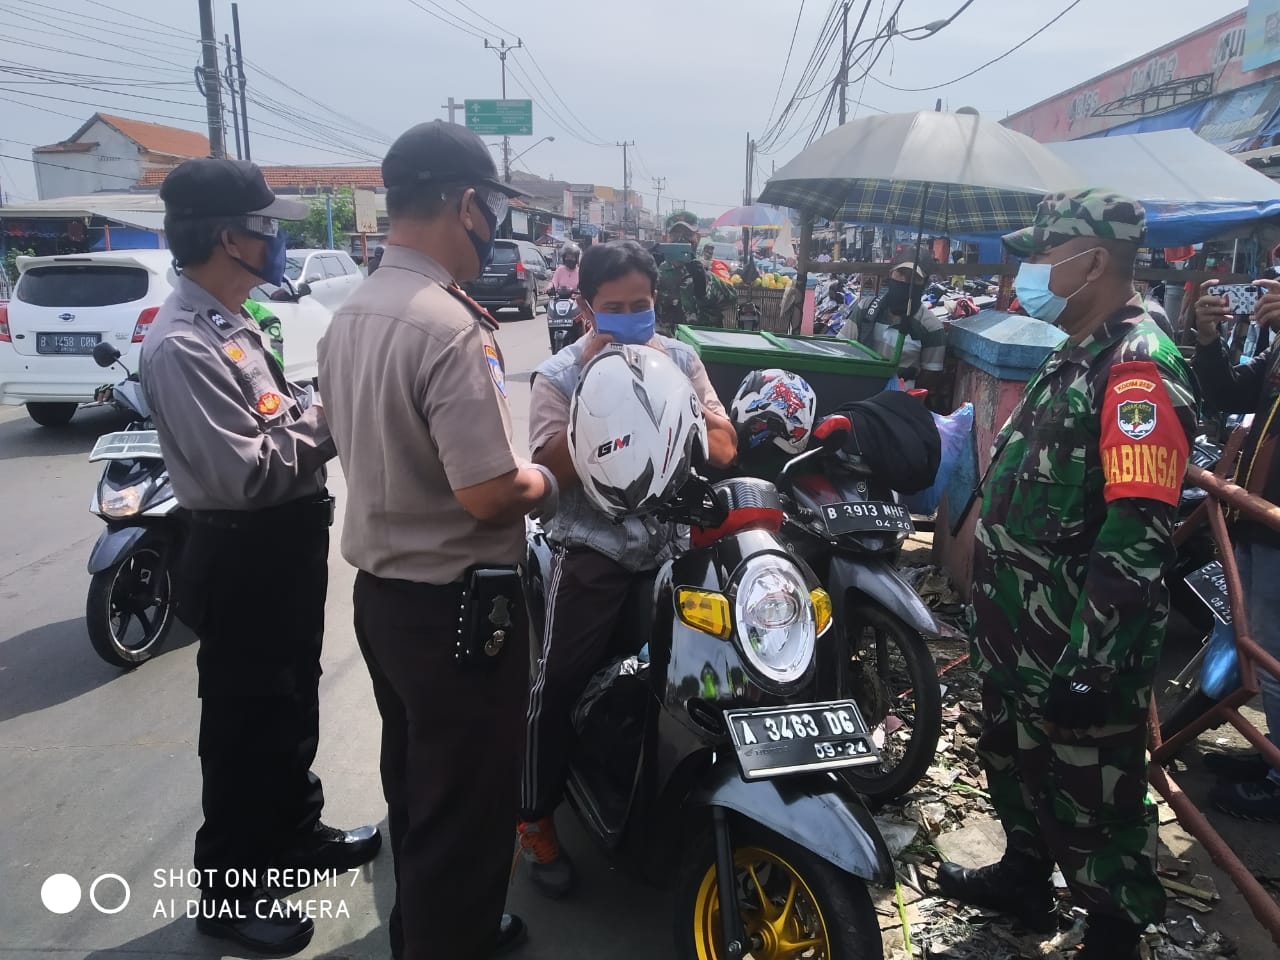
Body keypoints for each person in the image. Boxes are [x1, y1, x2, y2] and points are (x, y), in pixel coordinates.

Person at [316, 120, 558, 960]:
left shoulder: (353, 314)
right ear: (466, 204)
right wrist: (549, 482)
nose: (495, 227)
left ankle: (421, 932)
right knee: (467, 811)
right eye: (494, 208)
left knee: (417, 786)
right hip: (462, 613)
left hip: (385, 604)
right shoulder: (451, 327)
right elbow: (491, 492)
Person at [937, 190, 1196, 960]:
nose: (1029, 271)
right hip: (1019, 636)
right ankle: (1024, 875)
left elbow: (1137, 534)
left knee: (1093, 796)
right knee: (1014, 762)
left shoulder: (1140, 366)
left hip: (1076, 650)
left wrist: (1093, 665)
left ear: (1091, 261)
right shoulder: (1073, 349)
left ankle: (1113, 934)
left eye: (1043, 254)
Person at [140, 158, 381, 957]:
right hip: (241, 555)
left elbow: (276, 414)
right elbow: (247, 470)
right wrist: (335, 418)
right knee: (244, 727)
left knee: (290, 703)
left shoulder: (232, 321)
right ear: (224, 237)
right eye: (264, 226)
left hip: (281, 552)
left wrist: (312, 411)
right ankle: (230, 889)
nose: (275, 239)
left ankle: (294, 837)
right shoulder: (182, 344)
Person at [516, 240, 738, 897]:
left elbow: (724, 445)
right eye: (614, 308)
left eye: (640, 306)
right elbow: (544, 468)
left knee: (712, 678)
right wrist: (597, 398)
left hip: (672, 546)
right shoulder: (558, 374)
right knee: (555, 683)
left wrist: (676, 410)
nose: (630, 317)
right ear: (586, 307)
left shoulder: (681, 359)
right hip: (593, 549)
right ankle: (533, 815)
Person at [1191, 276, 1280, 822]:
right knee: (1258, 647)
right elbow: (1227, 393)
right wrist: (1206, 339)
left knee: (1273, 656)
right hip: (1253, 517)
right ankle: (1271, 757)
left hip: (1272, 527)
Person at [849, 261, 947, 404]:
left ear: (924, 284)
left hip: (899, 404)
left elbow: (931, 373)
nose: (905, 281)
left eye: (913, 278)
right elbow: (843, 349)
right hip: (859, 395)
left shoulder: (931, 326)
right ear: (891, 275)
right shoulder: (865, 308)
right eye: (901, 274)